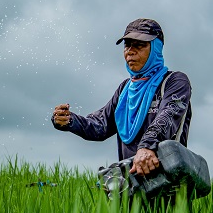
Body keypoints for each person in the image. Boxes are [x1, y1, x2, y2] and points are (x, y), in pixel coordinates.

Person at [52, 17, 192, 189]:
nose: (130, 51)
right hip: (132, 185)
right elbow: (100, 125)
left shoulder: (174, 82)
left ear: (156, 48)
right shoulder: (125, 90)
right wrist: (70, 120)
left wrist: (147, 147)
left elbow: (168, 116)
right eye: (127, 45)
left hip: (169, 184)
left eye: (139, 45)